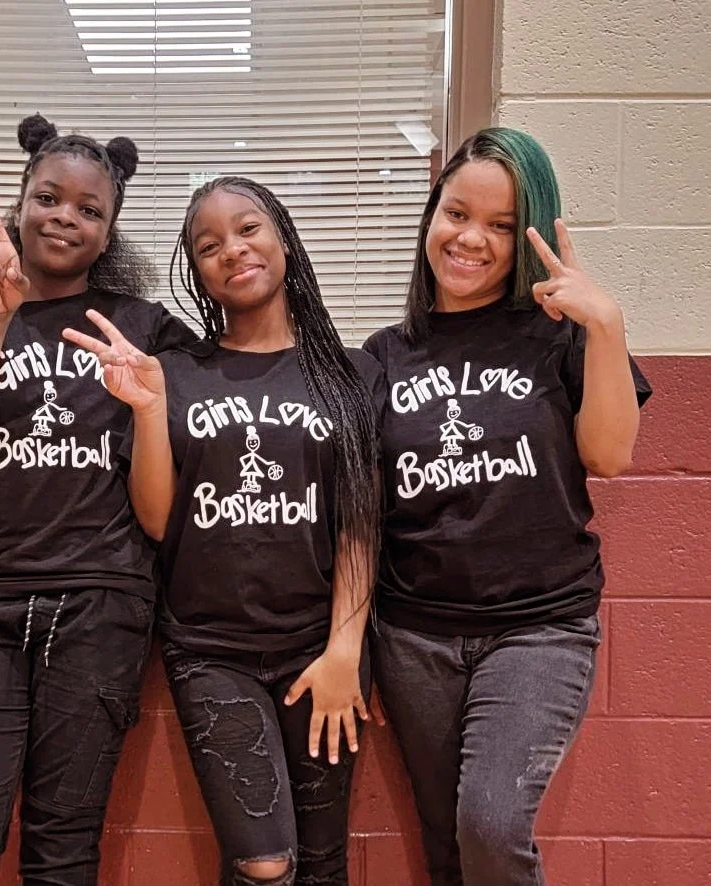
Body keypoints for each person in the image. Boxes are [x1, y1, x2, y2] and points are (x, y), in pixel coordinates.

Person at [63, 176, 385, 886]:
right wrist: (148, 412)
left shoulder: (350, 373)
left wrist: (344, 650)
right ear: (198, 272)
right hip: (212, 651)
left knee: (323, 858)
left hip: (322, 650)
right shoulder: (177, 373)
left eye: (248, 229)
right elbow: (156, 518)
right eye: (208, 246)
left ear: (283, 239)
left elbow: (359, 523)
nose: (232, 251)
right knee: (264, 863)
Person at [363, 127, 652, 886]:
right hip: (414, 636)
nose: (471, 240)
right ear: (432, 215)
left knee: (490, 824)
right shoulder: (384, 356)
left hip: (539, 628)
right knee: (448, 848)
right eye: (457, 214)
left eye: (499, 225)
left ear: (526, 236)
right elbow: (364, 515)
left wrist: (608, 325)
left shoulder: (557, 336)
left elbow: (611, 456)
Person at [0, 113, 194, 886]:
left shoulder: (144, 331)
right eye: (49, 197)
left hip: (101, 607)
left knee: (63, 851)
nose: (66, 216)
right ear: (20, 204)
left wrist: (145, 405)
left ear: (109, 235)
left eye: (90, 209)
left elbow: (160, 508)